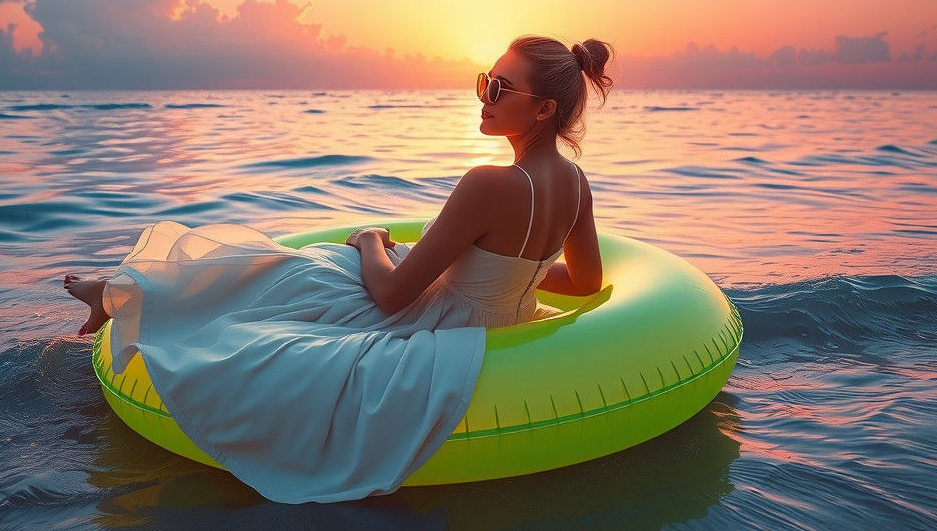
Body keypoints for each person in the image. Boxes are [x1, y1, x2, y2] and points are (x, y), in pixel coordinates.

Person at [64, 34, 614, 503]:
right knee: (312, 270)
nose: (484, 97)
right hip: (503, 323)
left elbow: (392, 295)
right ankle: (115, 292)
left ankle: (120, 293)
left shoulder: (488, 184)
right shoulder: (578, 185)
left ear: (544, 109)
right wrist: (510, 278)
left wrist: (371, 241)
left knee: (303, 270)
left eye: (500, 89)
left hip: (434, 323)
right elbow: (584, 282)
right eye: (484, 82)